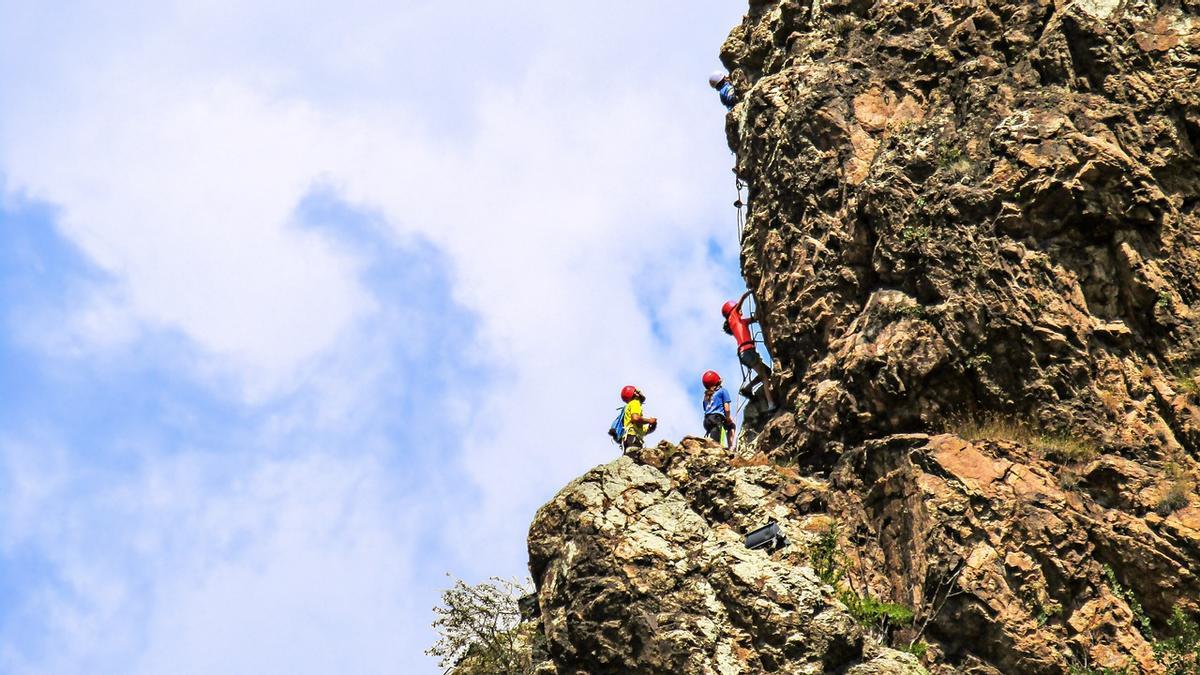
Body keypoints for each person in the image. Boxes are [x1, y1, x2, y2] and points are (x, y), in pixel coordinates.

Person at [722, 291, 778, 411]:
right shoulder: (733, 317)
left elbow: (755, 319)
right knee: (764, 377)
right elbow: (741, 300)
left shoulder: (741, 322)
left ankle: (748, 388)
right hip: (747, 351)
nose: (740, 310)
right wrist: (751, 291)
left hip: (745, 353)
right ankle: (770, 404)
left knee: (766, 372)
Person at [701, 370, 735, 448]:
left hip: (706, 421)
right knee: (731, 426)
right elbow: (727, 409)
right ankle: (731, 448)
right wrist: (728, 419)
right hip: (717, 419)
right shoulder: (723, 391)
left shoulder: (706, 396)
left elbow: (706, 409)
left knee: (713, 437)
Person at [620, 385, 658, 450]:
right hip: (633, 439)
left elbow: (645, 430)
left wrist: (653, 425)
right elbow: (635, 418)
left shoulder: (629, 406)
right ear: (635, 393)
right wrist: (649, 421)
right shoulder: (635, 402)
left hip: (629, 440)